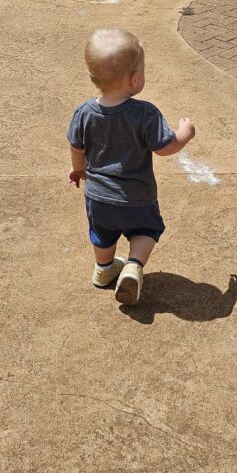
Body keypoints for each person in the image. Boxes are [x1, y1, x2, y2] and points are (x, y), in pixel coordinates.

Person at [67, 28, 195, 305]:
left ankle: (103, 269)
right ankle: (133, 265)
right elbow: (165, 147)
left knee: (102, 233)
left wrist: (79, 170)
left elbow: (76, 147)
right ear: (135, 79)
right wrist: (185, 133)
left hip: (98, 196)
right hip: (137, 197)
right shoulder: (144, 113)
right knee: (146, 232)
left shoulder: (84, 113)